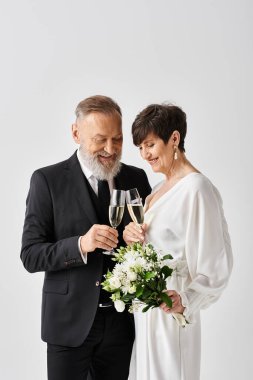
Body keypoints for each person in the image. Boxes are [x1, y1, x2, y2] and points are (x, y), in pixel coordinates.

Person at [20, 95, 151, 380]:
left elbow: (150, 243)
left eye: (117, 139)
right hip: (68, 325)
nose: (110, 149)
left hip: (121, 325)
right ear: (76, 133)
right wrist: (81, 244)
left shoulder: (137, 178)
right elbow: (30, 255)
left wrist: (139, 241)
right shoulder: (47, 180)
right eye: (100, 139)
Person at [123, 103, 233, 380]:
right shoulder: (157, 191)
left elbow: (216, 264)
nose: (144, 154)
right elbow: (151, 246)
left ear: (174, 138)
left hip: (171, 308)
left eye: (150, 144)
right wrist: (130, 237)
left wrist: (186, 300)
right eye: (140, 147)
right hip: (146, 311)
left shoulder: (197, 188)